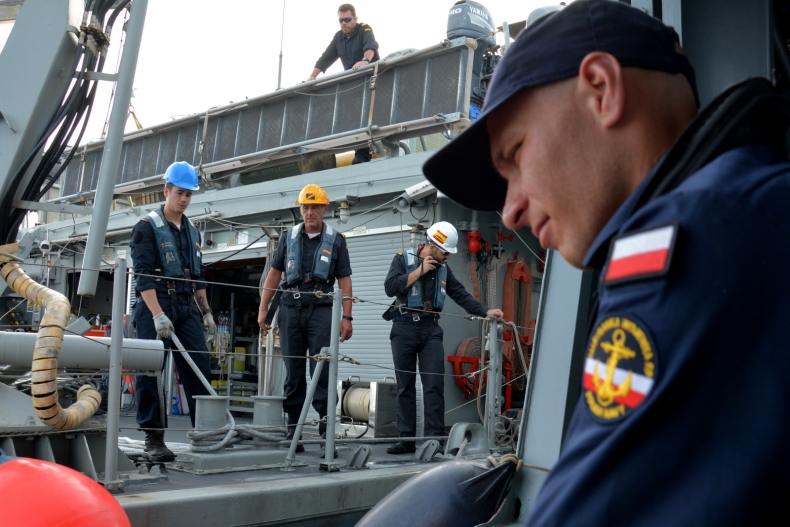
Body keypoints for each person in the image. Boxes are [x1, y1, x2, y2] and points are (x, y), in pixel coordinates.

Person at [422, 0, 790, 524]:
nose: (510, 211)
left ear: (601, 89)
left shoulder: (689, 247)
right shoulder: (752, 206)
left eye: (517, 154)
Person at [383, 221, 503, 454]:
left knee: (434, 385)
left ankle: (434, 441)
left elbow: (461, 296)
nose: (448, 257)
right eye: (446, 252)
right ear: (433, 246)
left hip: (430, 331)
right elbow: (390, 287)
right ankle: (406, 439)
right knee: (405, 385)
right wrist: (419, 272)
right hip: (404, 327)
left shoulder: (444, 270)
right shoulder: (401, 259)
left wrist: (486, 311)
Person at [257, 184, 353, 456]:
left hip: (322, 310)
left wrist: (347, 316)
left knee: (321, 373)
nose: (310, 212)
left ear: (325, 208)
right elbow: (274, 275)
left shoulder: (337, 240)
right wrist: (264, 309)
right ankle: (293, 432)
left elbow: (344, 280)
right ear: (300, 209)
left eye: (315, 207)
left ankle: (326, 436)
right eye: (305, 207)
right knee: (294, 375)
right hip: (290, 308)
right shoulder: (288, 238)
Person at [130, 161, 216, 462]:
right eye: (180, 192)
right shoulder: (145, 228)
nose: (184, 199)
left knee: (199, 368)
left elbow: (198, 276)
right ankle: (153, 439)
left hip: (185, 307)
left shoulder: (192, 231)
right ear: (165, 191)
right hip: (156, 305)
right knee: (150, 371)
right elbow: (143, 275)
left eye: (189, 194)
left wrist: (206, 313)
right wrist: (156, 314)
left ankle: (205, 434)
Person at [308, 3, 380, 165]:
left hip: (372, 84)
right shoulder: (339, 37)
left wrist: (365, 60)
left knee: (367, 120)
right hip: (353, 87)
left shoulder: (364, 29)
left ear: (355, 18)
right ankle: (359, 155)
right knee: (356, 120)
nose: (344, 24)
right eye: (340, 21)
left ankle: (365, 154)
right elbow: (326, 58)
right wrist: (312, 77)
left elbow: (370, 47)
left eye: (347, 20)